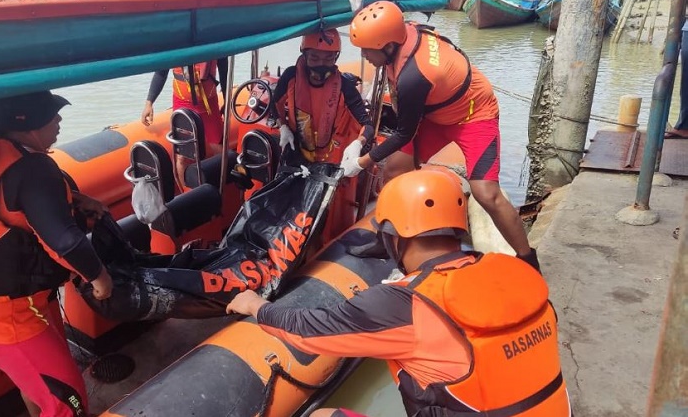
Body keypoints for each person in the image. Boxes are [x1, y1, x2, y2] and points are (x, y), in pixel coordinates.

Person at [226, 167, 570, 417]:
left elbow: (305, 331)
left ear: (394, 237)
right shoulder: (514, 274)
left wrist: (255, 304)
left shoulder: (407, 303)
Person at [0, 91, 113, 417]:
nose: (60, 121)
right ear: (30, 124)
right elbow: (65, 241)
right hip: (7, 319)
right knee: (69, 400)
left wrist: (75, 198)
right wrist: (100, 279)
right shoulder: (34, 170)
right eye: (53, 115)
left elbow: (11, 202)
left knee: (38, 384)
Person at [340, 1, 540, 269]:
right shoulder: (399, 36)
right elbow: (385, 21)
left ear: (387, 46)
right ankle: (383, 241)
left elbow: (403, 133)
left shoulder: (414, 76)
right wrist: (360, 9)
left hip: (474, 114)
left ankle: (528, 259)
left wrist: (360, 162)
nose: (364, 55)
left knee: (486, 193)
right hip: (437, 113)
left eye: (367, 49)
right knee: (394, 170)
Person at [271, 28, 375, 239]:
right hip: (298, 155)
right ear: (304, 54)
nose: (321, 64)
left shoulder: (345, 86)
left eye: (328, 58)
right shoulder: (290, 77)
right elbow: (275, 105)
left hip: (331, 160)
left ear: (336, 58)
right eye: (314, 57)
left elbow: (368, 125)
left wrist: (358, 143)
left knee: (327, 220)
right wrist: (282, 126)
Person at [141, 59, 230, 185]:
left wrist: (227, 99)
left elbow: (224, 71)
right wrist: (149, 103)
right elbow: (161, 73)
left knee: (219, 148)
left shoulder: (213, 41)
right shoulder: (175, 44)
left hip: (208, 104)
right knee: (182, 157)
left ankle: (223, 186)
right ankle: (188, 193)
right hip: (182, 103)